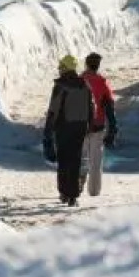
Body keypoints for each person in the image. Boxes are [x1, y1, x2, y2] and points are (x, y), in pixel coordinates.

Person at [43, 55, 95, 207]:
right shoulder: (84, 85)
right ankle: (73, 195)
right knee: (75, 160)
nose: (59, 69)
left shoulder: (61, 86)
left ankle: (64, 193)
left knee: (63, 160)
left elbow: (53, 110)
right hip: (80, 128)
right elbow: (91, 107)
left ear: (65, 68)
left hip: (64, 127)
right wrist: (90, 126)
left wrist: (48, 131)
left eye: (61, 67)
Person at [79, 53, 119, 197]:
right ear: (98, 65)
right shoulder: (102, 82)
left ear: (86, 64)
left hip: (79, 126)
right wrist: (113, 128)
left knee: (80, 157)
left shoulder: (79, 80)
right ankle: (94, 191)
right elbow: (109, 106)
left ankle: (78, 183)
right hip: (98, 126)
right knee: (96, 161)